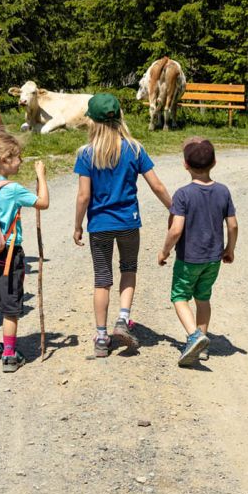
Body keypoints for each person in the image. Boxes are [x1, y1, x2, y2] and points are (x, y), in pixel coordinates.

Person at [72, 93, 172, 357]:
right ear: (119, 118)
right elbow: (157, 184)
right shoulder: (134, 148)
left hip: (99, 226)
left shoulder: (86, 154)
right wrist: (174, 210)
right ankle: (123, 319)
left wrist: (78, 226)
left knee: (102, 280)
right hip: (129, 223)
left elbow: (83, 196)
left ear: (91, 121)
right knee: (129, 269)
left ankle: (102, 337)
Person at [158, 138, 238, 367]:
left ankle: (194, 336)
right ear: (214, 162)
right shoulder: (223, 191)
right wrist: (229, 249)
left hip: (188, 259)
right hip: (213, 260)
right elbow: (232, 225)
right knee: (203, 298)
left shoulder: (183, 194)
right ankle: (201, 346)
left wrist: (164, 251)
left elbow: (176, 229)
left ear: (185, 164)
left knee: (180, 296)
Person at [0, 133, 49, 372]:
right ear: (5, 160)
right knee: (11, 308)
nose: (21, 161)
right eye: (17, 157)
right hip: (8, 254)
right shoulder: (13, 189)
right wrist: (41, 177)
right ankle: (9, 354)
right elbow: (43, 203)